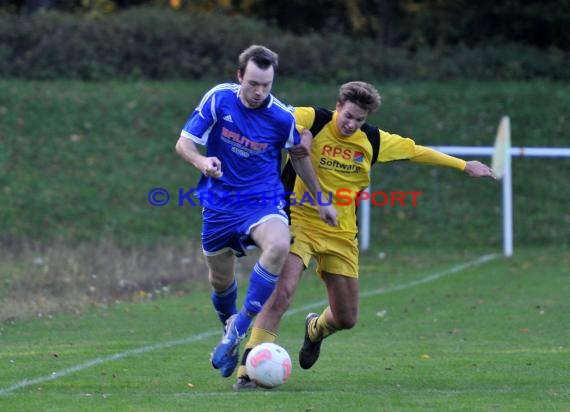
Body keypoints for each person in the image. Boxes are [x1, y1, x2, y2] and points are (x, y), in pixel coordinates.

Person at [233, 81, 496, 389]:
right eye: (348, 116)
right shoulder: (311, 120)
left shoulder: (372, 140)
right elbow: (275, 117)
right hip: (297, 221)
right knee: (281, 294)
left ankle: (315, 329)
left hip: (341, 233)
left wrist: (464, 165)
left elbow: (414, 151)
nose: (351, 124)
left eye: (359, 119)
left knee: (346, 318)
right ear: (338, 105)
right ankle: (248, 371)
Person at [175, 45, 338, 378]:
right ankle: (229, 334)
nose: (259, 91)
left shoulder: (281, 117)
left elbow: (299, 157)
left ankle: (239, 329)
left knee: (279, 243)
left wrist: (321, 199)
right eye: (253, 83)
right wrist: (202, 161)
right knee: (220, 282)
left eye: (266, 85)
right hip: (219, 204)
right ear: (239, 77)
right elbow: (184, 143)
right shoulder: (219, 99)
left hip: (262, 200)